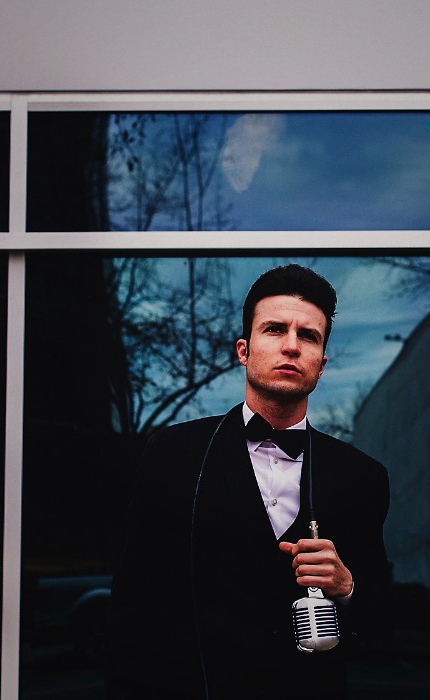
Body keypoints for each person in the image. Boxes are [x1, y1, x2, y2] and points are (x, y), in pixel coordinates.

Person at [106, 264, 391, 699]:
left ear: (321, 365)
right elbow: (132, 607)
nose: (291, 346)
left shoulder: (361, 477)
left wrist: (347, 588)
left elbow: (384, 624)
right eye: (275, 329)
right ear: (244, 350)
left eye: (308, 336)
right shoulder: (174, 454)